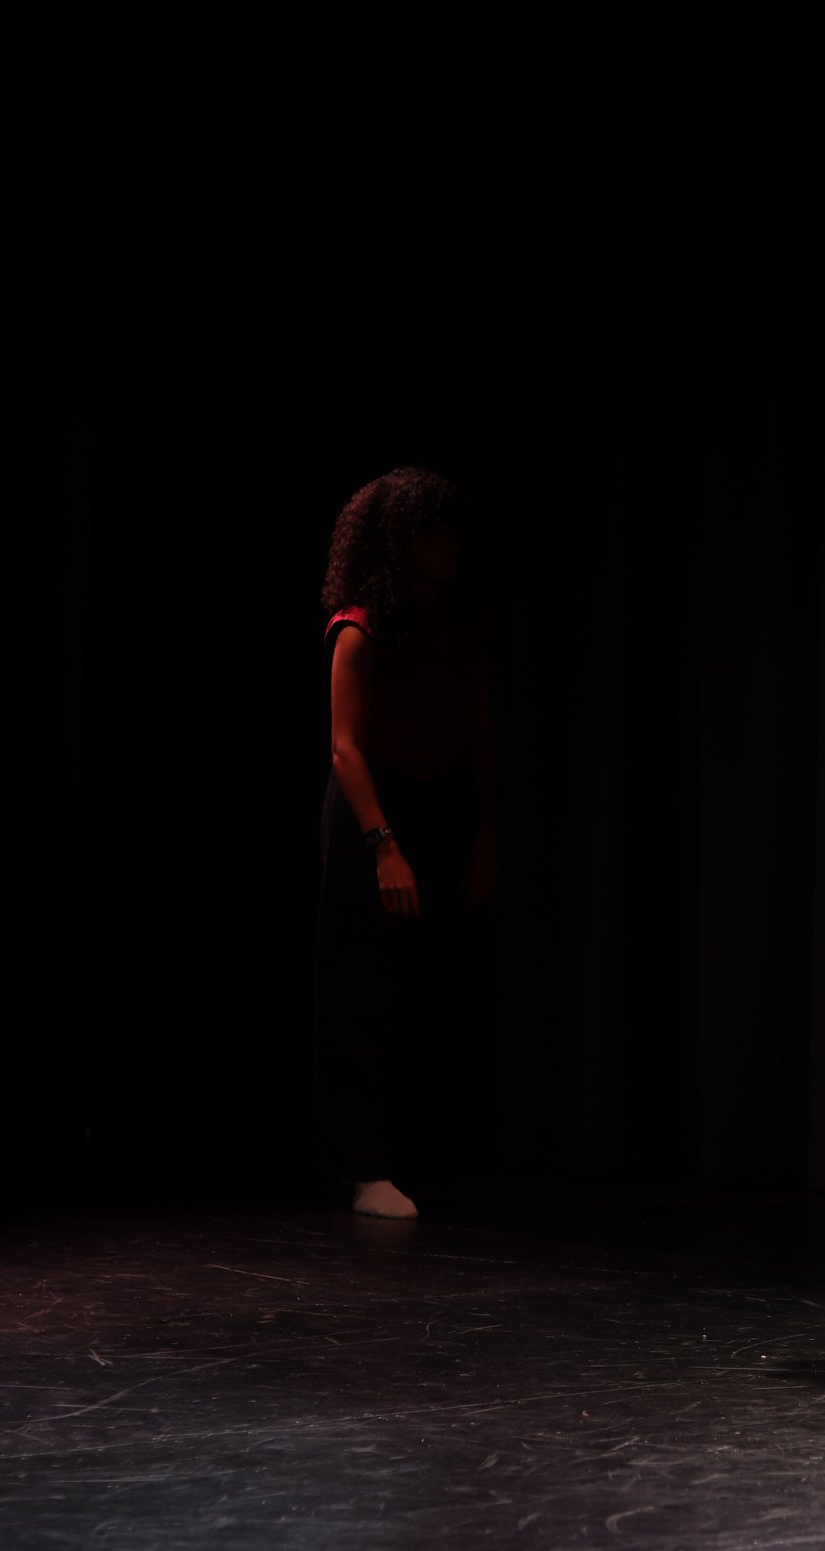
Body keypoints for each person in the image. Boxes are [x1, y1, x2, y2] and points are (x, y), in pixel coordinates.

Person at [313, 466, 498, 1219]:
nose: (449, 544)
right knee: (363, 989)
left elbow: (481, 731)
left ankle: (422, 1150)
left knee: (430, 986)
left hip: (440, 802)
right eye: (433, 531)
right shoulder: (360, 625)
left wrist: (487, 834)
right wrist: (384, 845)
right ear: (400, 541)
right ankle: (364, 1169)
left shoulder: (457, 625)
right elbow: (344, 747)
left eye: (451, 529)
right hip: (373, 809)